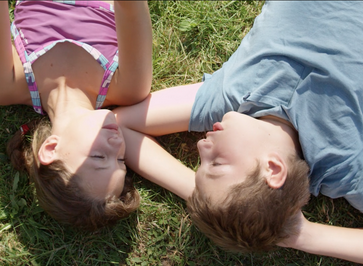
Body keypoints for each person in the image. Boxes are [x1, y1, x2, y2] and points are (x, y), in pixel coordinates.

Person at [114, 0, 363, 263]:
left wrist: (219, 204)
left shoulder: (226, 100)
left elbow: (118, 125)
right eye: (216, 163)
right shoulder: (344, 164)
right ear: (273, 169)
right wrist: (305, 235)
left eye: (200, 164)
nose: (200, 147)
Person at [0, 0, 152, 230]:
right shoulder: (130, 86)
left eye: (99, 157)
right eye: (120, 160)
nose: (118, 145)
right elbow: (131, 6)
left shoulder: (5, 87)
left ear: (51, 149)